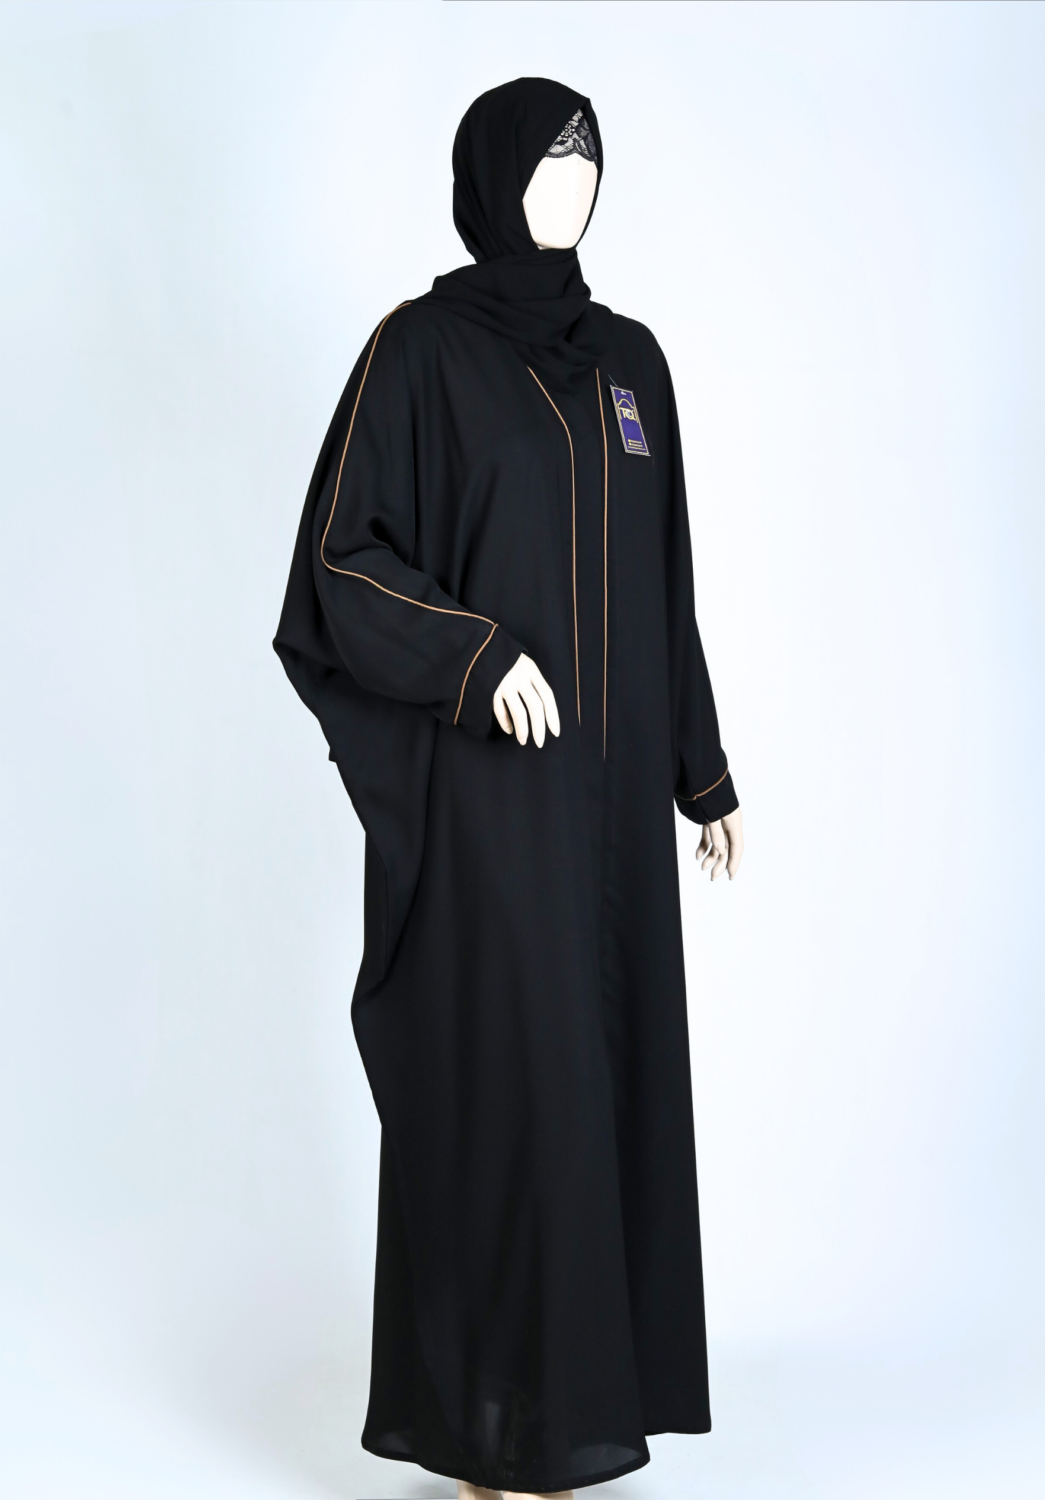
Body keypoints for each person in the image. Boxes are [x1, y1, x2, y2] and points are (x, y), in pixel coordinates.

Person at [274, 76, 743, 1499]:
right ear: (486, 178)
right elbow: (340, 564)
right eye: (547, 160)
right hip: (493, 811)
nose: (572, 183)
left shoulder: (632, 365)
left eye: (590, 161)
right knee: (510, 1097)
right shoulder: (419, 355)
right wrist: (476, 658)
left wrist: (704, 772)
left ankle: (577, 1412)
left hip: (614, 822)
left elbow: (665, 583)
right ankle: (488, 1433)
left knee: (606, 1094)